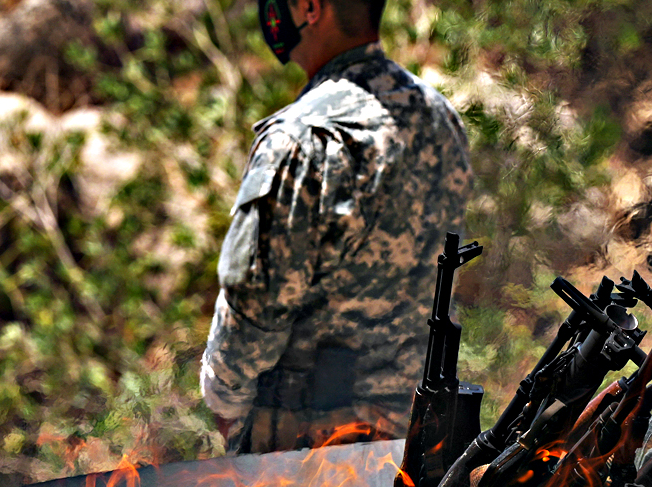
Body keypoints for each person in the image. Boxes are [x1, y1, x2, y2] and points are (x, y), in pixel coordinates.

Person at [200, 0, 471, 453]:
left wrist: (225, 400)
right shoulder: (440, 119)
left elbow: (253, 303)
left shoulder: (301, 135)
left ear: (308, 7)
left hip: (303, 455)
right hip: (412, 440)